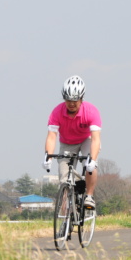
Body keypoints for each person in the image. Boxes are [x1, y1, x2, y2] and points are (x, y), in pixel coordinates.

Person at [42, 75, 101, 209]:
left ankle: (89, 196)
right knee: (64, 178)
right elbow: (52, 136)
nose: (72, 103)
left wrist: (92, 159)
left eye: (75, 100)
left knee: (90, 165)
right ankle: (65, 217)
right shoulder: (57, 112)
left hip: (87, 140)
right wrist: (48, 156)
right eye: (68, 100)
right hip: (67, 143)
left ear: (81, 99)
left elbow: (96, 138)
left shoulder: (91, 111)